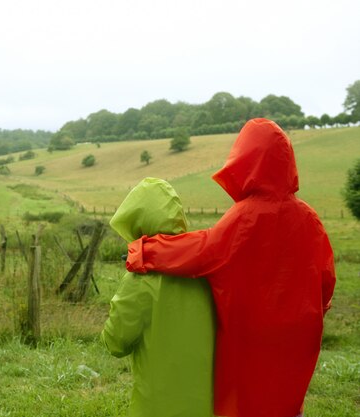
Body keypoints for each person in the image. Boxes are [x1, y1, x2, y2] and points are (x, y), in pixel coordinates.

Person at [126, 118, 336, 417]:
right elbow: (326, 278)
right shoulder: (309, 218)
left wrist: (143, 250)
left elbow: (201, 250)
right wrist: (317, 308)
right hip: (299, 335)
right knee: (285, 402)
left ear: (247, 160)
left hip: (249, 337)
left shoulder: (245, 217)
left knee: (247, 403)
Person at [101, 177, 216, 417]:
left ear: (136, 222)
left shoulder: (140, 280)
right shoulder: (207, 269)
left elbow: (116, 342)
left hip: (155, 406)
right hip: (205, 406)